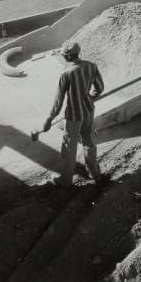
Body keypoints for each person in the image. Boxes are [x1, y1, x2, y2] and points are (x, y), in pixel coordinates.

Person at [43, 41, 106, 189]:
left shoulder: (66, 73)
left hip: (74, 115)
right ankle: (96, 175)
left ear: (67, 56)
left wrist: (49, 118)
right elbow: (100, 87)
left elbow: (58, 101)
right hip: (89, 111)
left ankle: (65, 180)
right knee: (89, 142)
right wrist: (90, 98)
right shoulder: (91, 66)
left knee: (69, 147)